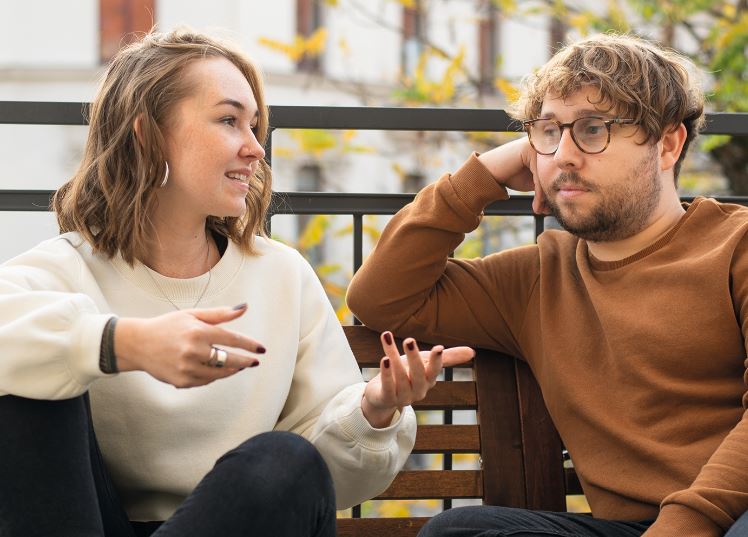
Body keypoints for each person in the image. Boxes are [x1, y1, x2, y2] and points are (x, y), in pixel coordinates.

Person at [0, 28, 474, 537]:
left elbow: (317, 480)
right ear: (147, 133)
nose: (256, 149)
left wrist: (373, 410)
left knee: (284, 459)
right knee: (28, 374)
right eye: (229, 121)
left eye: (255, 126)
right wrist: (122, 343)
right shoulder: (68, 269)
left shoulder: (281, 275)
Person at [346, 33, 748, 537]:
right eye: (548, 132)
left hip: (726, 518)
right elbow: (381, 298)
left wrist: (686, 525)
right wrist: (488, 172)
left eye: (593, 129)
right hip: (629, 529)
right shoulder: (536, 279)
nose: (565, 155)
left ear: (668, 144)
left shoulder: (737, 246)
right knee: (459, 533)